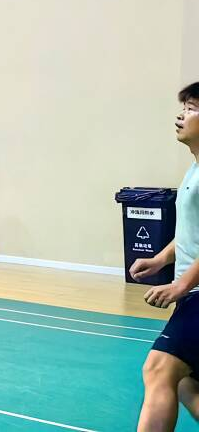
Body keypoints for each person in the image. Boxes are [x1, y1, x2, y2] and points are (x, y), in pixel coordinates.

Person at [130, 82, 199, 430]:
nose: (181, 115)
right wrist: (160, 259)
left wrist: (181, 285)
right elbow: (192, 232)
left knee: (159, 369)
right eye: (183, 107)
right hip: (193, 294)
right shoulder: (194, 169)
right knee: (186, 383)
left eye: (192, 108)